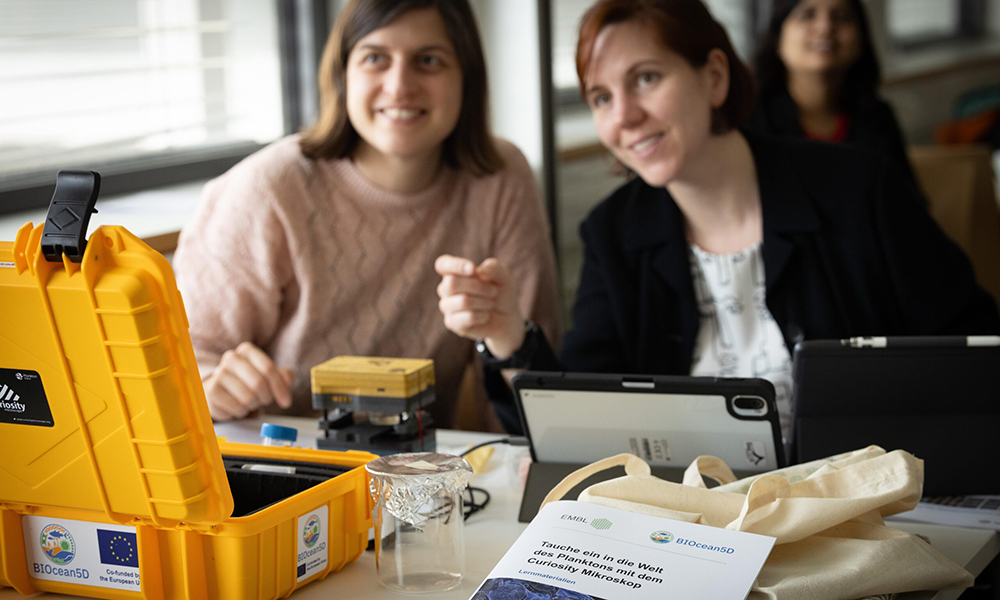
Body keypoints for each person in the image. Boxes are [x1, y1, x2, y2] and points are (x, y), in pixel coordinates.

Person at [436, 0, 999, 441]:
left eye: (646, 79)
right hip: (700, 533)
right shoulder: (615, 232)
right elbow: (582, 423)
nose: (625, 117)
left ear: (714, 77)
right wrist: (507, 337)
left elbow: (973, 353)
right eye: (601, 98)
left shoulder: (858, 188)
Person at [174, 0, 560, 426]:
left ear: (467, 78)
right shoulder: (268, 188)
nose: (399, 87)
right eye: (375, 58)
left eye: (428, 60)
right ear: (342, 75)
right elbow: (177, 373)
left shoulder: (499, 178)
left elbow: (538, 411)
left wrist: (507, 340)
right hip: (277, 469)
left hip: (418, 476)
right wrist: (210, 390)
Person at [749, 0, 921, 191]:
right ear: (777, 39)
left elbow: (909, 206)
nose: (825, 27)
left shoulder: (878, 117)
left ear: (861, 39)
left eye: (841, 17)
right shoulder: (751, 118)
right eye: (807, 15)